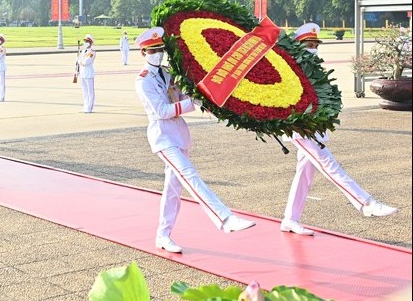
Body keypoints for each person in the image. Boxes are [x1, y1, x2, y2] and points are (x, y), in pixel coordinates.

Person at [134, 27, 255, 254]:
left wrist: (203, 94)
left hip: (179, 136)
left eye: (160, 49)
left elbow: (182, 96)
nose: (158, 54)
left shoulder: (169, 73)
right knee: (190, 175)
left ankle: (163, 235)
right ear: (143, 53)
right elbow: (162, 110)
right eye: (152, 51)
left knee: (173, 190)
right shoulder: (143, 81)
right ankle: (225, 218)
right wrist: (195, 102)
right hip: (163, 138)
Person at [279, 23, 397, 236]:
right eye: (308, 44)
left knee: (304, 174)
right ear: (297, 46)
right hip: (299, 128)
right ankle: (365, 203)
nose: (313, 48)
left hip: (313, 127)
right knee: (328, 164)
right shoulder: (290, 68)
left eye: (315, 44)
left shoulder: (313, 67)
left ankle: (290, 218)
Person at [77, 34, 96, 113]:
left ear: (90, 43)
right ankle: (85, 106)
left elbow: (87, 62)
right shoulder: (83, 51)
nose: (85, 43)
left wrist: (80, 61)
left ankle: (89, 108)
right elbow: (79, 61)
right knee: (84, 91)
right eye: (85, 41)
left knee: (90, 92)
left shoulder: (92, 52)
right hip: (83, 73)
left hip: (89, 73)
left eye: (87, 41)